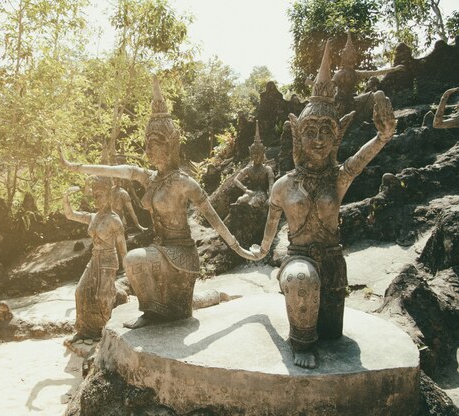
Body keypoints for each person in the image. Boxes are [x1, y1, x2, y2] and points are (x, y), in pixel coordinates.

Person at [245, 42, 397, 369]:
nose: (317, 140)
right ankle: (300, 343)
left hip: (333, 265)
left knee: (330, 334)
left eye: (325, 132)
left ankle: (312, 329)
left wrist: (383, 137)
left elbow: (357, 162)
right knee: (303, 281)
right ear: (298, 136)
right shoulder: (284, 185)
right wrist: (259, 251)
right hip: (298, 262)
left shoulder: (336, 178)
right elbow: (270, 231)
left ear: (336, 137)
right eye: (310, 132)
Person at [60, 76, 253, 329]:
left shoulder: (184, 182)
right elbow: (118, 169)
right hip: (161, 252)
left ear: (171, 144)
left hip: (182, 254)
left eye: (154, 144)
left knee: (133, 259)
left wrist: (241, 250)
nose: (148, 151)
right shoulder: (149, 178)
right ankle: (157, 311)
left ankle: (154, 313)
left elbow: (213, 218)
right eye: (146, 144)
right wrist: (77, 167)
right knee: (138, 260)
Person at [62, 177, 127, 342]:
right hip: (95, 258)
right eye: (94, 196)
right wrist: (65, 197)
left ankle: (107, 331)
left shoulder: (114, 219)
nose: (96, 199)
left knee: (103, 297)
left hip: (108, 260)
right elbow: (70, 215)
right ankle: (84, 330)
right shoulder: (92, 217)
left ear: (108, 197)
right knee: (80, 291)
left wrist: (128, 266)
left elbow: (122, 246)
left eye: (100, 195)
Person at [232, 124, 274, 207]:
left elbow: (271, 185)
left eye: (258, 154)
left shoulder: (267, 169)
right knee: (240, 200)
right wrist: (245, 189)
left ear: (262, 154)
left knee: (253, 203)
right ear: (251, 154)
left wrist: (270, 197)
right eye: (254, 154)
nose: (256, 156)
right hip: (251, 192)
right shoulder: (248, 169)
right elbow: (235, 180)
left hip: (262, 194)